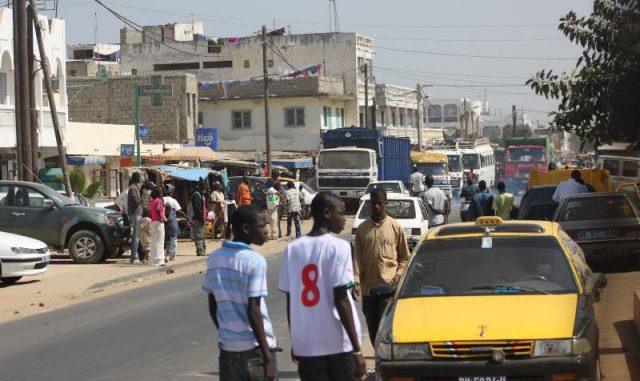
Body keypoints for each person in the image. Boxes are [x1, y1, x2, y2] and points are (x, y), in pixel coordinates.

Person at [278, 192, 366, 381]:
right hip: (339, 344)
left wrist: (296, 340)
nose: (344, 219)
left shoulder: (292, 249)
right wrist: (357, 349)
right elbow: (341, 298)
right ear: (327, 213)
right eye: (341, 213)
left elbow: (291, 301)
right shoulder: (339, 247)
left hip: (308, 345)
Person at [202, 205, 277, 381]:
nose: (266, 231)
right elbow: (254, 310)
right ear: (245, 228)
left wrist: (227, 332)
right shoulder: (255, 261)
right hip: (255, 350)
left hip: (228, 350)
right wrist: (267, 357)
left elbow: (213, 305)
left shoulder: (215, 258)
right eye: (261, 226)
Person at [353, 188, 411, 345]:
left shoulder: (395, 227)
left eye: (379, 203)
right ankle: (378, 358)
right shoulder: (362, 229)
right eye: (373, 204)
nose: (376, 207)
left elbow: (404, 258)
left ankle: (384, 361)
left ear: (385, 203)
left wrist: (398, 276)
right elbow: (357, 257)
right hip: (368, 289)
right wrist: (356, 281)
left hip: (388, 287)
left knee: (385, 329)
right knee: (372, 328)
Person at [127, 172, 143, 264]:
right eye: (140, 177)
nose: (141, 179)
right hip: (135, 214)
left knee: (138, 236)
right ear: (137, 178)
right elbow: (136, 201)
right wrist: (143, 195)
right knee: (136, 236)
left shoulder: (136, 187)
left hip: (138, 213)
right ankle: (134, 257)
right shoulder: (133, 188)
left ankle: (138, 256)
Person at [149, 187, 167, 267]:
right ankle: (159, 260)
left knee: (154, 242)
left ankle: (152, 260)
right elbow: (159, 211)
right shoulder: (159, 201)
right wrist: (163, 218)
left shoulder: (152, 201)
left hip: (153, 222)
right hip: (159, 223)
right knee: (160, 242)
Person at [190, 181, 208, 256]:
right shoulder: (196, 195)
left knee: (202, 234)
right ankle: (200, 251)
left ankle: (202, 250)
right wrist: (201, 217)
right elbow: (197, 209)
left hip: (200, 218)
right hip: (197, 218)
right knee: (199, 235)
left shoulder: (200, 195)